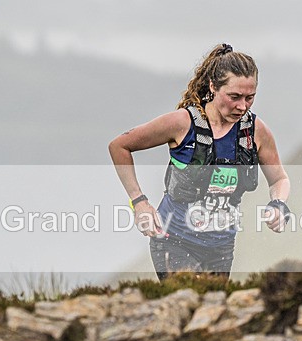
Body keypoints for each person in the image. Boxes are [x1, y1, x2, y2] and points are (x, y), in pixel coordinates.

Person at [108, 43, 291, 281]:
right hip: (174, 240)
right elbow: (119, 146)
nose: (242, 106)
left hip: (221, 247)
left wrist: (278, 203)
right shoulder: (182, 123)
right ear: (214, 87)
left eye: (250, 97)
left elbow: (279, 178)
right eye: (234, 97)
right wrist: (139, 202)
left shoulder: (255, 131)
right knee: (186, 300)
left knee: (213, 312)